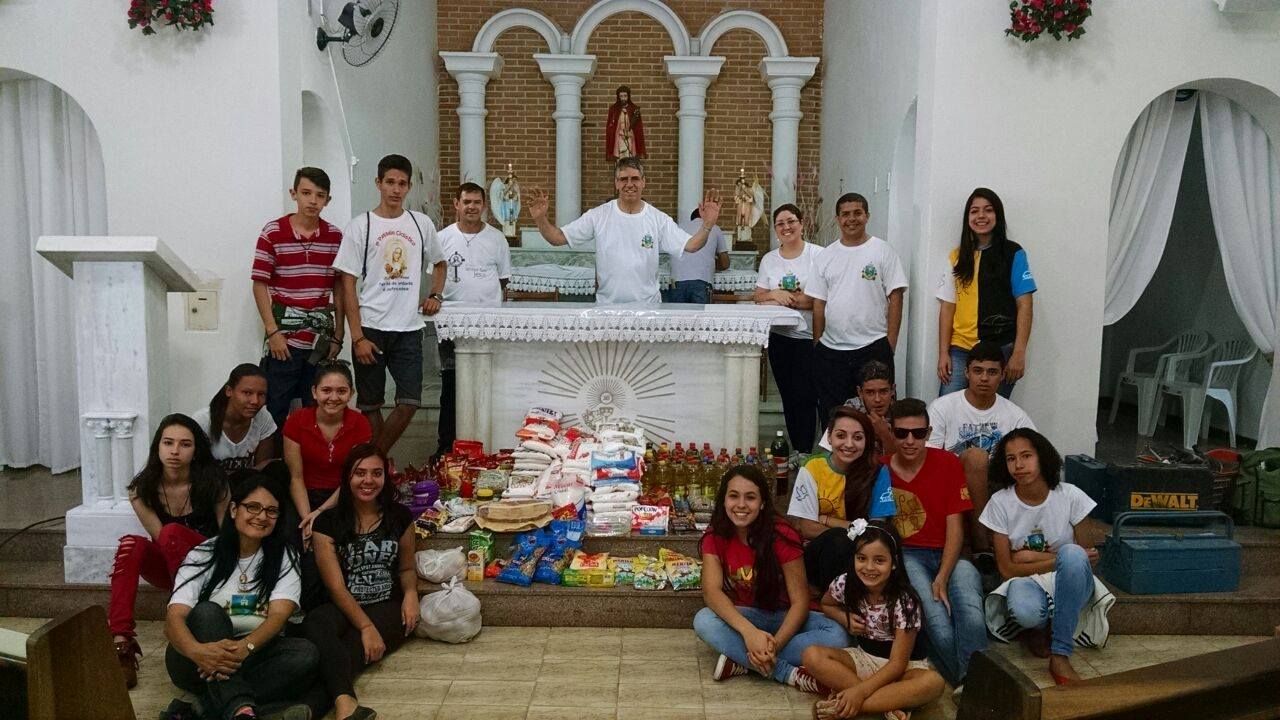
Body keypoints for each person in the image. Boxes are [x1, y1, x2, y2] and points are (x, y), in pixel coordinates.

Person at [165, 472, 315, 720]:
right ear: (234, 510)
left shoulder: (285, 557)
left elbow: (278, 617)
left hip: (252, 653)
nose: (261, 516)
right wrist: (197, 652)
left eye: (271, 511)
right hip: (195, 659)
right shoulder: (203, 553)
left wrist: (246, 647)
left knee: (305, 654)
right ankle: (240, 709)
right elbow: (174, 619)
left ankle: (216, 709)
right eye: (253, 507)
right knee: (207, 612)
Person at [694, 464, 848, 693]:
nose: (741, 505)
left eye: (750, 497)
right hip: (749, 616)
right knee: (704, 620)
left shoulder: (781, 535)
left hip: (786, 617)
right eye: (733, 496)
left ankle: (742, 662)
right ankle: (787, 673)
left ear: (763, 503)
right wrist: (750, 634)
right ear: (723, 500)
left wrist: (773, 646)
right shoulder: (716, 534)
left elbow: (800, 602)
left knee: (838, 635)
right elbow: (712, 592)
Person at [333, 154, 446, 455]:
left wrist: (435, 294)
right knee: (370, 402)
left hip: (409, 327)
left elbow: (440, 262)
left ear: (408, 187)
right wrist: (356, 337)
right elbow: (347, 283)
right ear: (378, 183)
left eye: (402, 184)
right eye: (390, 183)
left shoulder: (420, 224)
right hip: (371, 327)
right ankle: (377, 467)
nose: (396, 190)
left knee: (410, 401)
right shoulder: (361, 226)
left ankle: (373, 460)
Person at [980, 429, 1112, 685]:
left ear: (1042, 457)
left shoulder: (1070, 495)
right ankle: (1039, 627)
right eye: (1010, 459)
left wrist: (1028, 557)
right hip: (1027, 583)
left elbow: (1087, 558)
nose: (1018, 465)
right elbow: (1006, 569)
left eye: (1026, 456)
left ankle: (1060, 654)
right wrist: (1057, 560)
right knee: (1025, 611)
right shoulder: (1000, 502)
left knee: (1073, 554)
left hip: (1071, 582)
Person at [110, 414, 229, 688]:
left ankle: (185, 617)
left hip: (209, 566)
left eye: (185, 444)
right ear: (158, 447)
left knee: (173, 533)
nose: (175, 451)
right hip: (173, 569)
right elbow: (160, 541)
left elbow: (227, 538)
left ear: (196, 449)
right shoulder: (141, 489)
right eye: (168, 443)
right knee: (132, 543)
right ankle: (121, 642)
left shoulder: (213, 482)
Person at [301, 443, 417, 720]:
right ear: (347, 478)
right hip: (342, 602)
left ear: (386, 477)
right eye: (359, 473)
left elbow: (407, 568)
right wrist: (365, 625)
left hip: (387, 604)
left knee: (350, 648)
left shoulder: (400, 516)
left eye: (376, 473)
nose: (368, 481)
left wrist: (411, 594)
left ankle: (309, 708)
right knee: (316, 624)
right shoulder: (327, 522)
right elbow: (335, 586)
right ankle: (346, 707)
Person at [885, 399, 986, 689]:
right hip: (908, 555)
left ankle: (970, 686)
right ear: (892, 433)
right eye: (902, 433)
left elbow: (956, 528)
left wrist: (942, 575)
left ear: (928, 433)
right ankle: (973, 686)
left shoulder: (948, 463)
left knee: (971, 617)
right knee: (939, 628)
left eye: (918, 433)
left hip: (951, 554)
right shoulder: (881, 470)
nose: (910, 440)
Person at [526, 158, 722, 304]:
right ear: (616, 183)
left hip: (648, 309)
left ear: (644, 182)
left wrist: (707, 225)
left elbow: (692, 245)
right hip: (607, 307)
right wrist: (540, 219)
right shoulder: (599, 215)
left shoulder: (657, 218)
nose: (630, 184)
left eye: (635, 178)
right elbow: (558, 238)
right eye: (624, 179)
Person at [804, 520, 945, 720]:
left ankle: (846, 705)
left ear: (894, 562)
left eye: (879, 560)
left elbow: (897, 664)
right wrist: (845, 619)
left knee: (934, 683)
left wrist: (859, 692)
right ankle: (887, 704)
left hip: (904, 669)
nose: (869, 568)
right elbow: (827, 605)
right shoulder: (845, 583)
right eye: (862, 558)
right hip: (864, 659)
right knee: (812, 655)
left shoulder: (905, 602)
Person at [252, 167, 345, 435]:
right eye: (306, 193)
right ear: (294, 194)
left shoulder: (335, 237)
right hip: (284, 339)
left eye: (320, 195)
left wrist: (339, 334)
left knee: (317, 410)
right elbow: (260, 284)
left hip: (319, 340)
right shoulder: (273, 232)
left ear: (328, 200)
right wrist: (273, 332)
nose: (312, 201)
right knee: (274, 411)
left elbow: (339, 287)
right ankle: (273, 471)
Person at [926, 341, 1035, 556]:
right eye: (978, 371)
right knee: (976, 457)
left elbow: (1036, 455)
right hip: (954, 483)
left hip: (999, 484)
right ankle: (982, 546)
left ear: (1002, 375)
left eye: (992, 372)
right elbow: (931, 457)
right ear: (966, 372)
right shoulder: (942, 407)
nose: (984, 378)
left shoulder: (1015, 414)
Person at [807, 193, 908, 424]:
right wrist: (818, 344)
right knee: (833, 416)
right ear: (837, 218)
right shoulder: (826, 256)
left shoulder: (883, 251)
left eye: (857, 213)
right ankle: (833, 458)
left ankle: (878, 459)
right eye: (845, 214)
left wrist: (889, 343)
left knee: (878, 415)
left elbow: (896, 296)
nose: (851, 219)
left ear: (867, 216)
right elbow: (819, 304)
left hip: (873, 347)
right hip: (832, 351)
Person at [435, 182, 511, 458]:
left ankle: (488, 444)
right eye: (466, 201)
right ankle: (446, 447)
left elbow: (503, 279)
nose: (471, 207)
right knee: (451, 385)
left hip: (488, 323)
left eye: (477, 202)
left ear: (484, 206)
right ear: (456, 204)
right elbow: (436, 276)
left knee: (489, 383)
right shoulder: (442, 238)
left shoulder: (496, 238)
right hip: (452, 324)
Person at [936, 188, 1036, 398]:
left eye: (988, 210)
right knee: (947, 408)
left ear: (997, 216)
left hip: (1001, 350)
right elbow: (948, 307)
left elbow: (1025, 303)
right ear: (967, 218)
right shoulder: (956, 257)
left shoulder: (1013, 253)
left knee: (995, 412)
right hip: (961, 348)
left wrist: (1019, 352)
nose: (981, 216)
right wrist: (943, 352)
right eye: (974, 211)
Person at [788, 406, 897, 591]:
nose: (849, 444)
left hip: (864, 553)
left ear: (867, 440)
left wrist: (826, 519)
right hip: (818, 553)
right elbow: (806, 527)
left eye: (857, 437)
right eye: (840, 436)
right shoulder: (812, 468)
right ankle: (833, 602)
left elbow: (876, 529)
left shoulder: (878, 472)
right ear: (829, 437)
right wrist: (850, 526)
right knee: (838, 540)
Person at [755, 203, 821, 456]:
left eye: (791, 221)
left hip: (809, 338)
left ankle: (808, 450)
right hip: (780, 338)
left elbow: (819, 299)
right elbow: (758, 296)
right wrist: (776, 293)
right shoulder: (770, 259)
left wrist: (787, 299)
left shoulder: (818, 255)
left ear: (801, 223)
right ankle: (799, 450)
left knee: (806, 396)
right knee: (789, 397)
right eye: (780, 223)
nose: (786, 227)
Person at [283, 360, 373, 540]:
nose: (333, 397)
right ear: (314, 392)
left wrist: (319, 513)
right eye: (326, 390)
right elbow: (296, 477)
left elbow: (354, 476)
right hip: (303, 496)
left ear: (351, 394)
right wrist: (306, 518)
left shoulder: (360, 424)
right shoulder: (296, 421)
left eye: (341, 391)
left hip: (344, 495)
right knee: (290, 536)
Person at [193, 364, 277, 474]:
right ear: (229, 391)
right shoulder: (202, 421)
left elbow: (262, 468)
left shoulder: (263, 418)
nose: (255, 401)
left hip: (247, 486)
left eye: (261, 394)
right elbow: (196, 471)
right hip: (211, 487)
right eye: (247, 393)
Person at [665, 208, 729, 304]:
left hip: (676, 282)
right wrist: (710, 263)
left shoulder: (678, 227)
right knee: (700, 318)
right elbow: (725, 263)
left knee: (678, 317)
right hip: (701, 281)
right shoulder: (714, 228)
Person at [605, 85, 646, 160]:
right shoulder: (614, 109)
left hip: (630, 137)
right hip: (619, 137)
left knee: (629, 157)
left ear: (628, 96)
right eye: (621, 96)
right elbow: (610, 126)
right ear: (618, 97)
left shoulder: (633, 109)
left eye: (625, 96)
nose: (623, 98)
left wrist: (630, 131)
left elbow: (638, 128)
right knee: (620, 158)